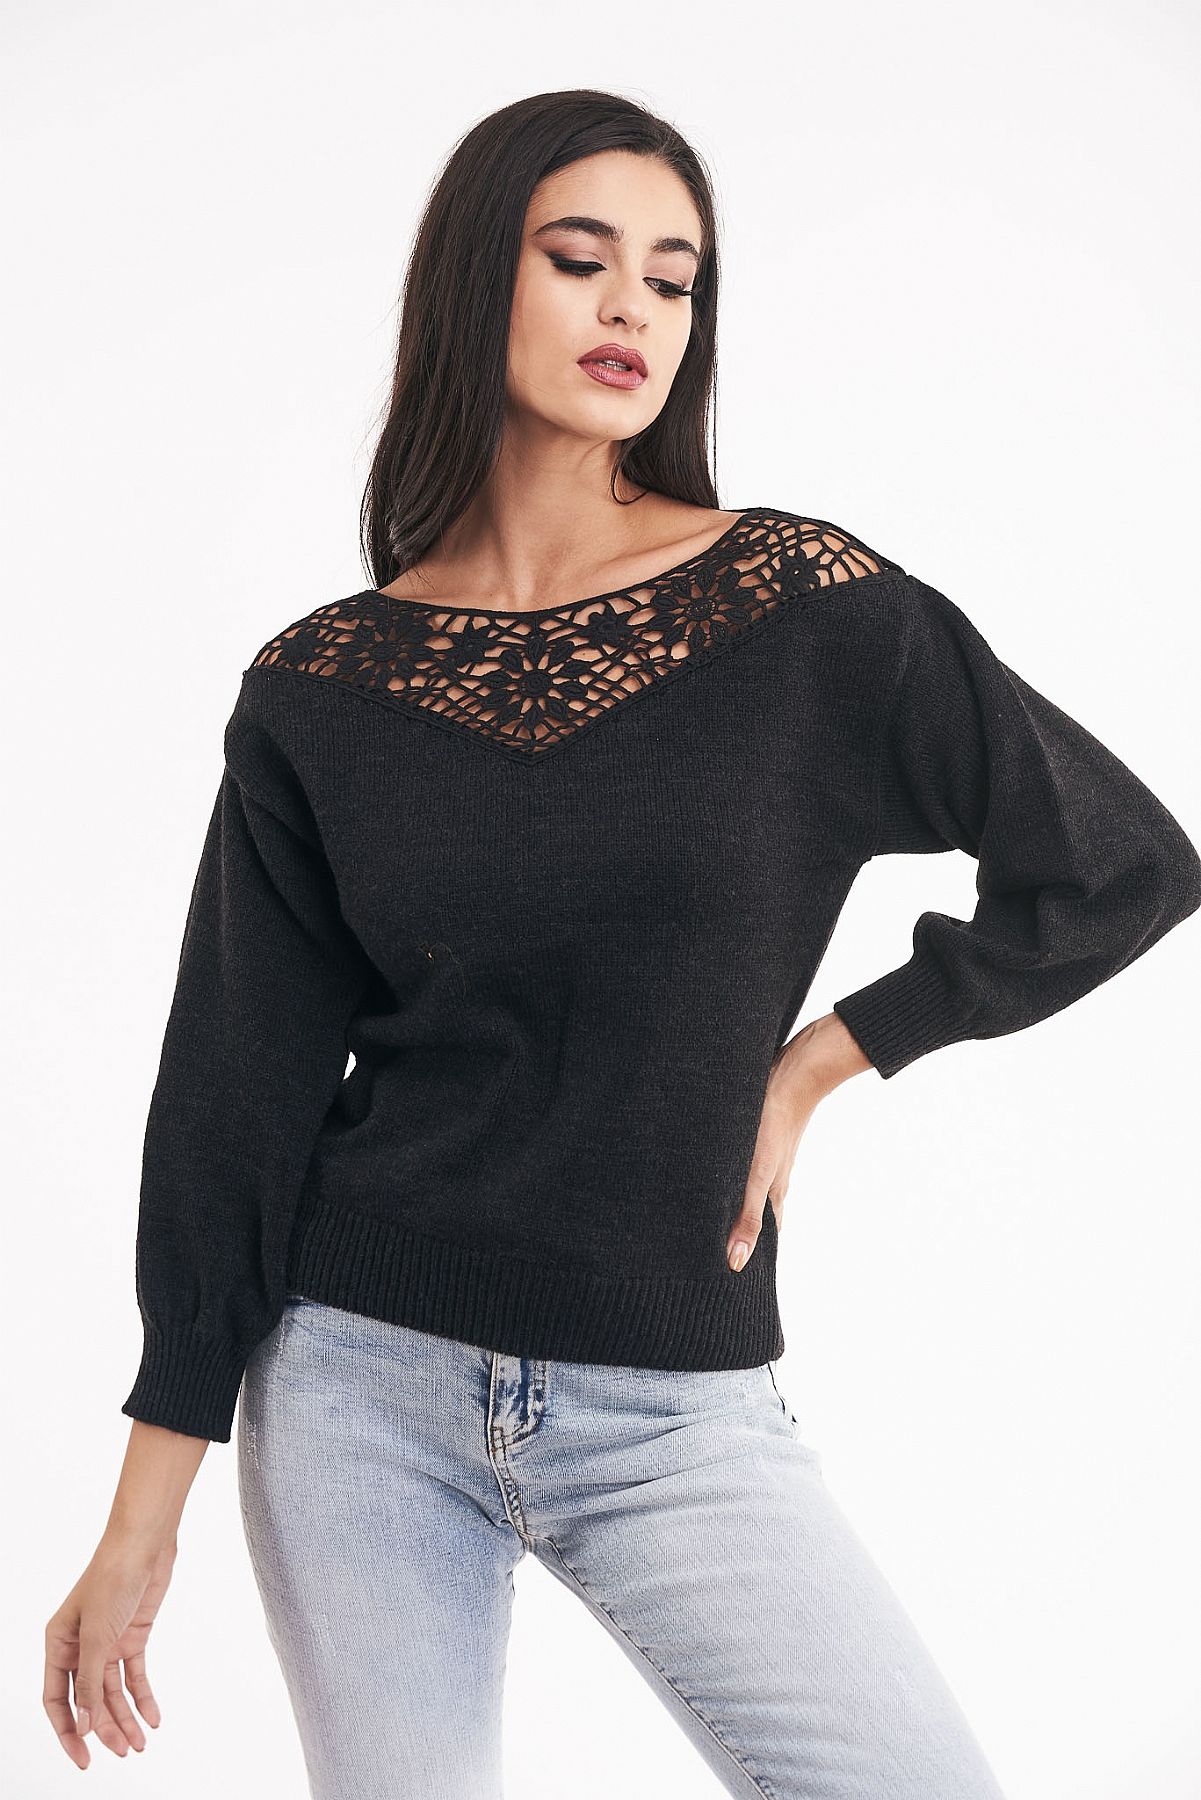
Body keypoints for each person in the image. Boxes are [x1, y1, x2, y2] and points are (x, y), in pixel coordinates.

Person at [44, 89, 1200, 1799]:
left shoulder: (806, 610)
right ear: (474, 281)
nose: (632, 310)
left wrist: (821, 1061)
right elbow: (234, 1095)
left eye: (672, 280)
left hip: (674, 1406)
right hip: (355, 1384)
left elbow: (1117, 863)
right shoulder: (321, 686)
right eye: (580, 259)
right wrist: (144, 1514)